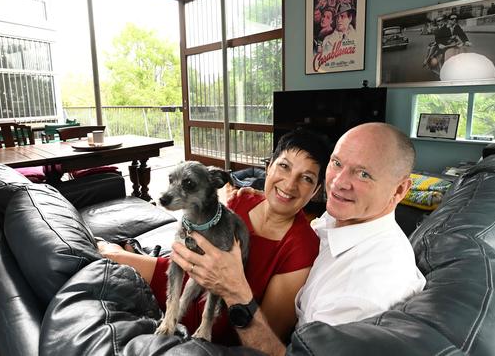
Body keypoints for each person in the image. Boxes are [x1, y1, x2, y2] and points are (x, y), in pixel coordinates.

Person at [172, 123, 427, 355]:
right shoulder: (344, 218)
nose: (338, 183)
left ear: (400, 190)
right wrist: (264, 200)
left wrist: (233, 289)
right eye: (337, 163)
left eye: (363, 174)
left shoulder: (363, 289)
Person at [98, 128, 331, 345]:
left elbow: (266, 339)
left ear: (316, 191)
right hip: (182, 280)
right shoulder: (243, 200)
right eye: (284, 167)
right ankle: (131, 251)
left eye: (307, 178)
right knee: (107, 255)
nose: (290, 184)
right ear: (269, 167)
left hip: (219, 324)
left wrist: (230, 287)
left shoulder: (302, 247)